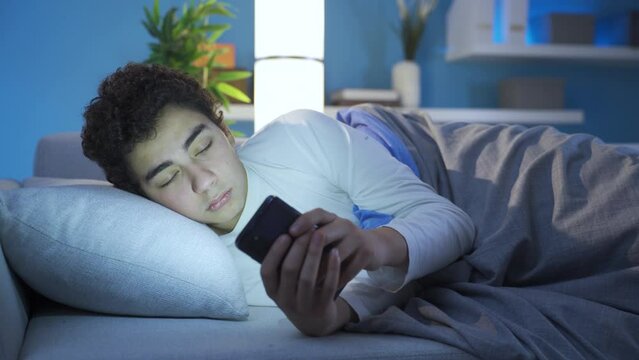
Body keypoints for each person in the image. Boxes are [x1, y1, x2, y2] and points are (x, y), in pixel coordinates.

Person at [81, 63, 476, 337]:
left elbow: (453, 219)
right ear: (144, 198)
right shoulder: (192, 275)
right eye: (168, 177)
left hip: (415, 149)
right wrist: (327, 317)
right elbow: (343, 309)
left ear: (224, 128)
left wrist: (375, 244)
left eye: (202, 146)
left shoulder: (300, 135)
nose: (203, 182)